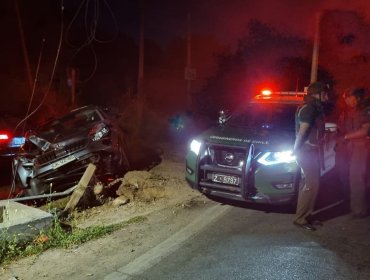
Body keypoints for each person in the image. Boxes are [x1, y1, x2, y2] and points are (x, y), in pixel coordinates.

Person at [293, 81, 330, 231]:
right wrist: (295, 150)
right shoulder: (310, 110)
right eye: (325, 94)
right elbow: (302, 132)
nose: (327, 97)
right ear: (317, 94)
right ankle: (301, 219)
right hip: (306, 152)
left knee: (308, 185)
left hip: (309, 152)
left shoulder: (313, 108)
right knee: (312, 185)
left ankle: (305, 215)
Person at [338, 87, 370, 219]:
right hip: (352, 148)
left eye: (349, 98)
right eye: (345, 98)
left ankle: (359, 210)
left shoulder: (365, 110)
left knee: (357, 178)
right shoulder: (351, 111)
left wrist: (345, 137)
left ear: (357, 98)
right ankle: (356, 205)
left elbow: (364, 131)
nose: (346, 101)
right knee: (353, 178)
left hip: (362, 147)